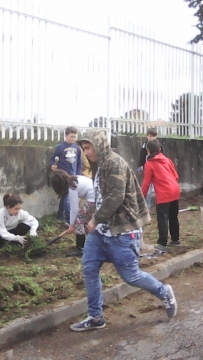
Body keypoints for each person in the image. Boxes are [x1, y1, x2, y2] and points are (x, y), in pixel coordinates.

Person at [70, 129, 177, 332]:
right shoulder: (99, 165)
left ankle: (164, 292)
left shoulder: (114, 163)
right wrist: (82, 221)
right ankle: (96, 316)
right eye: (84, 149)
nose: (86, 153)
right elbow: (100, 197)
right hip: (101, 232)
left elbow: (115, 198)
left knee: (131, 276)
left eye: (87, 148)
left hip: (122, 231)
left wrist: (94, 220)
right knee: (89, 268)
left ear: (98, 144)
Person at [142, 139, 181, 255]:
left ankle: (162, 243)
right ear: (159, 149)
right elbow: (176, 175)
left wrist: (141, 197)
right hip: (175, 190)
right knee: (173, 216)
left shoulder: (149, 164)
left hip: (164, 193)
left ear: (148, 151)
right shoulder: (167, 160)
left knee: (162, 218)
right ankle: (175, 239)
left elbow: (146, 183)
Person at [50, 169, 95, 257]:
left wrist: (72, 225)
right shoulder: (75, 180)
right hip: (97, 197)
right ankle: (92, 245)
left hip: (93, 199)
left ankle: (80, 249)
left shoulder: (71, 188)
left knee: (79, 221)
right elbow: (76, 205)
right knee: (85, 222)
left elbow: (74, 209)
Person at [50, 126, 83, 224]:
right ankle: (69, 219)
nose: (73, 139)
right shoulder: (59, 147)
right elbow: (52, 159)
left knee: (65, 196)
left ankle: (60, 216)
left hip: (73, 176)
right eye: (71, 136)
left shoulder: (77, 148)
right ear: (66, 135)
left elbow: (79, 162)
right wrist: (52, 166)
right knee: (67, 197)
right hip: (62, 177)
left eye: (75, 137)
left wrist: (78, 174)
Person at [137, 128, 158, 209]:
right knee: (148, 190)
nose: (151, 137)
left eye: (153, 136)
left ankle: (158, 206)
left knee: (156, 190)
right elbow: (141, 157)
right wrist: (140, 166)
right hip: (147, 170)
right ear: (147, 136)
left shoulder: (158, 146)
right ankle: (147, 208)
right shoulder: (144, 145)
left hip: (156, 172)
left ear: (156, 137)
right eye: (149, 136)